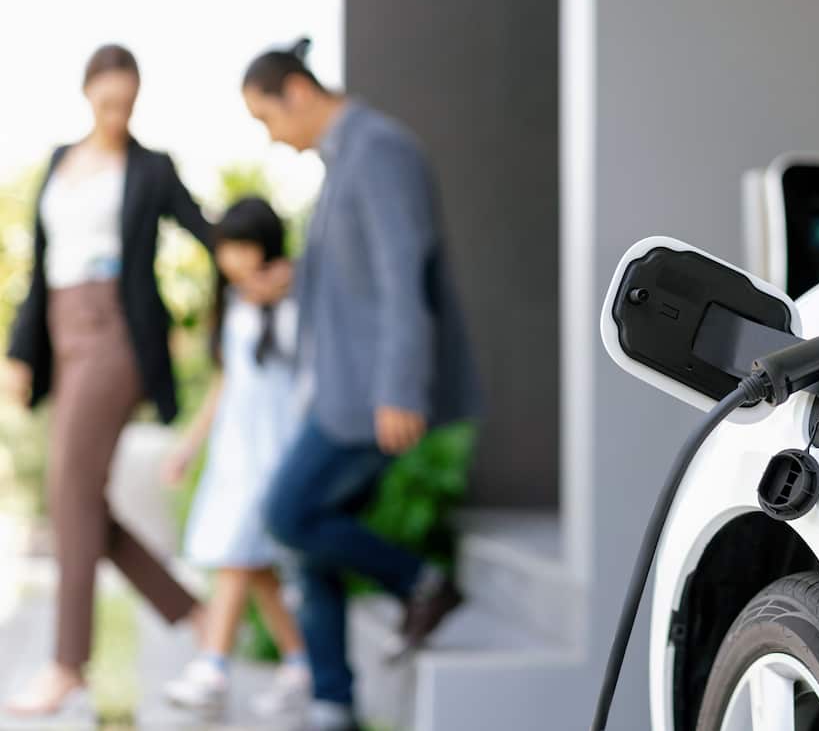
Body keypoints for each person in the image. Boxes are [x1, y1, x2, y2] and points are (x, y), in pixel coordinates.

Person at [0, 45, 275, 717]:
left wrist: (261, 263)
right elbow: (43, 264)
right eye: (107, 101)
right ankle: (196, 612)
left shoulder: (151, 169)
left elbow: (203, 229)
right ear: (88, 92)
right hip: (63, 333)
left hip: (117, 336)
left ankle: (68, 663)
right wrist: (19, 350)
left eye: (128, 103)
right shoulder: (62, 165)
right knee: (80, 502)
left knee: (69, 487)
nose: (117, 114)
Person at [242, 39, 481, 731]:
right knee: (310, 536)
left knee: (286, 512)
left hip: (368, 399)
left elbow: (402, 275)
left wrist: (400, 387)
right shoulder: (345, 160)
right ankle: (333, 703)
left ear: (295, 91)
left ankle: (422, 582)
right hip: (340, 392)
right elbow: (357, 272)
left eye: (268, 119)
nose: (274, 139)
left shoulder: (379, 149)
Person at [160, 197, 311, 717]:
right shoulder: (232, 304)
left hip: (278, 449)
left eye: (244, 247)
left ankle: (213, 667)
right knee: (256, 566)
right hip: (234, 451)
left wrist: (296, 284)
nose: (233, 260)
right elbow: (227, 384)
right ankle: (300, 663)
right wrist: (188, 447)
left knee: (236, 555)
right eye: (227, 249)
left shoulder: (296, 300)